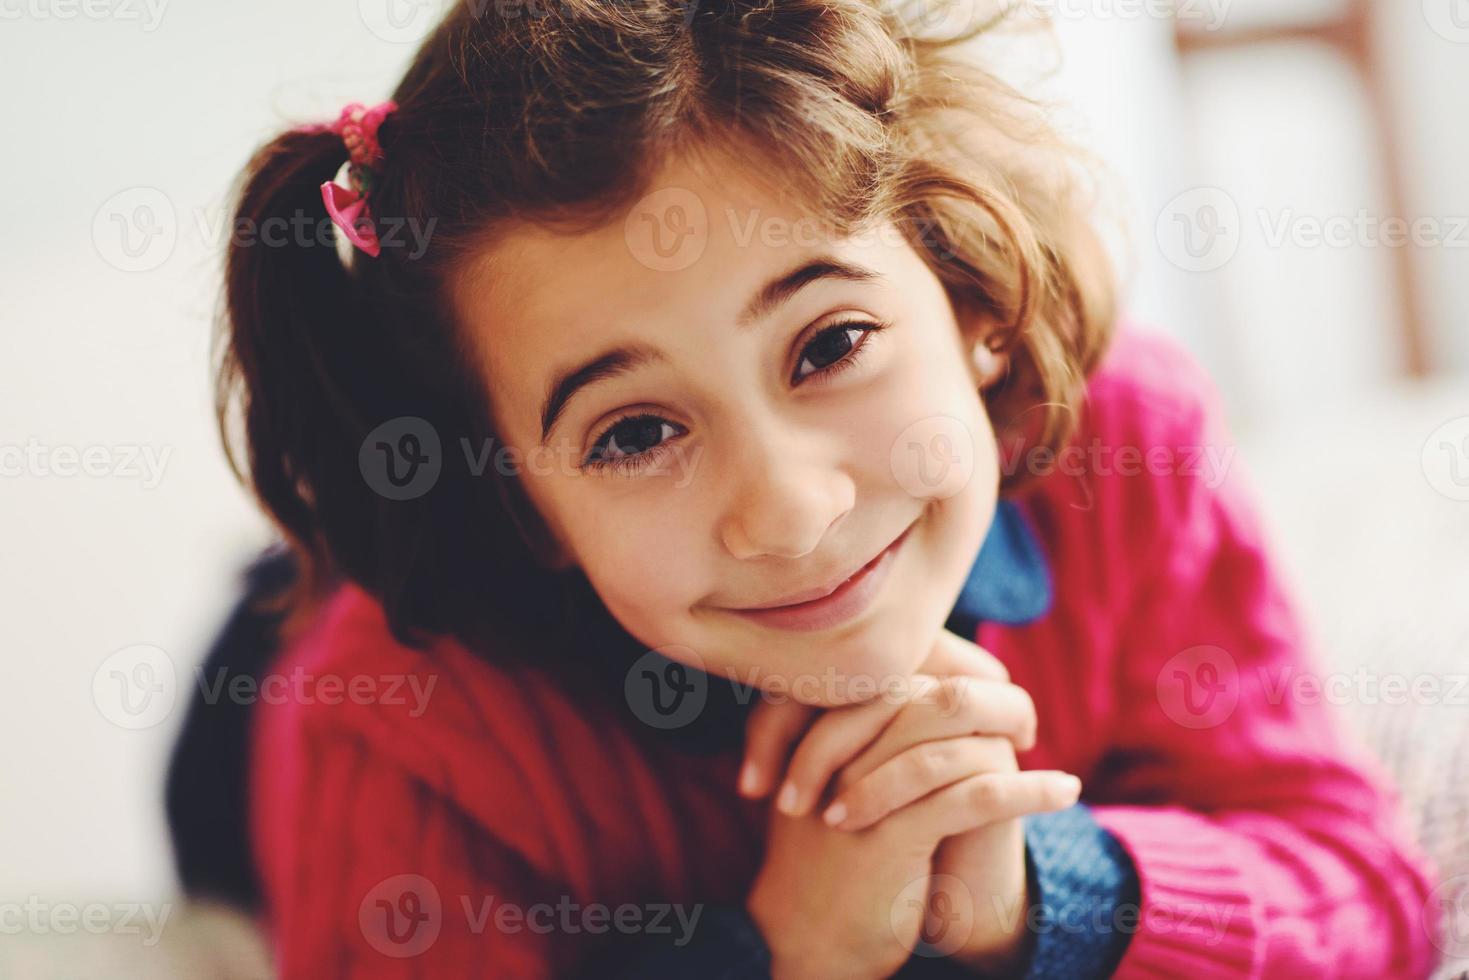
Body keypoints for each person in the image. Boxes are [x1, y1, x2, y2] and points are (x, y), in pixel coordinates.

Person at [187, 1, 1441, 975]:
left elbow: (1359, 887)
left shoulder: (1123, 448)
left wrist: (1029, 893)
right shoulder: (396, 718)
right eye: (633, 432)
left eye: (829, 345)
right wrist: (789, 946)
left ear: (969, 300)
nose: (790, 508)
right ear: (520, 501)